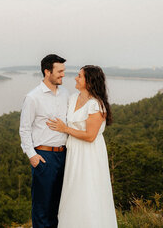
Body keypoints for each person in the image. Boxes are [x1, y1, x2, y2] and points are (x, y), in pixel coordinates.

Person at [47, 65, 118, 228]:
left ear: (89, 81)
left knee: (88, 191)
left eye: (80, 76)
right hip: (74, 152)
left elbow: (90, 136)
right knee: (73, 191)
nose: (75, 78)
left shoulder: (96, 105)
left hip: (89, 153)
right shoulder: (73, 98)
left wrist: (65, 129)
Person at [19, 54, 69, 228]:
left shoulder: (65, 93)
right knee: (42, 207)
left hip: (64, 156)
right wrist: (32, 156)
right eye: (60, 71)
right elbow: (24, 129)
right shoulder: (33, 97)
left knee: (58, 205)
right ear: (47, 72)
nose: (63, 74)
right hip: (44, 157)